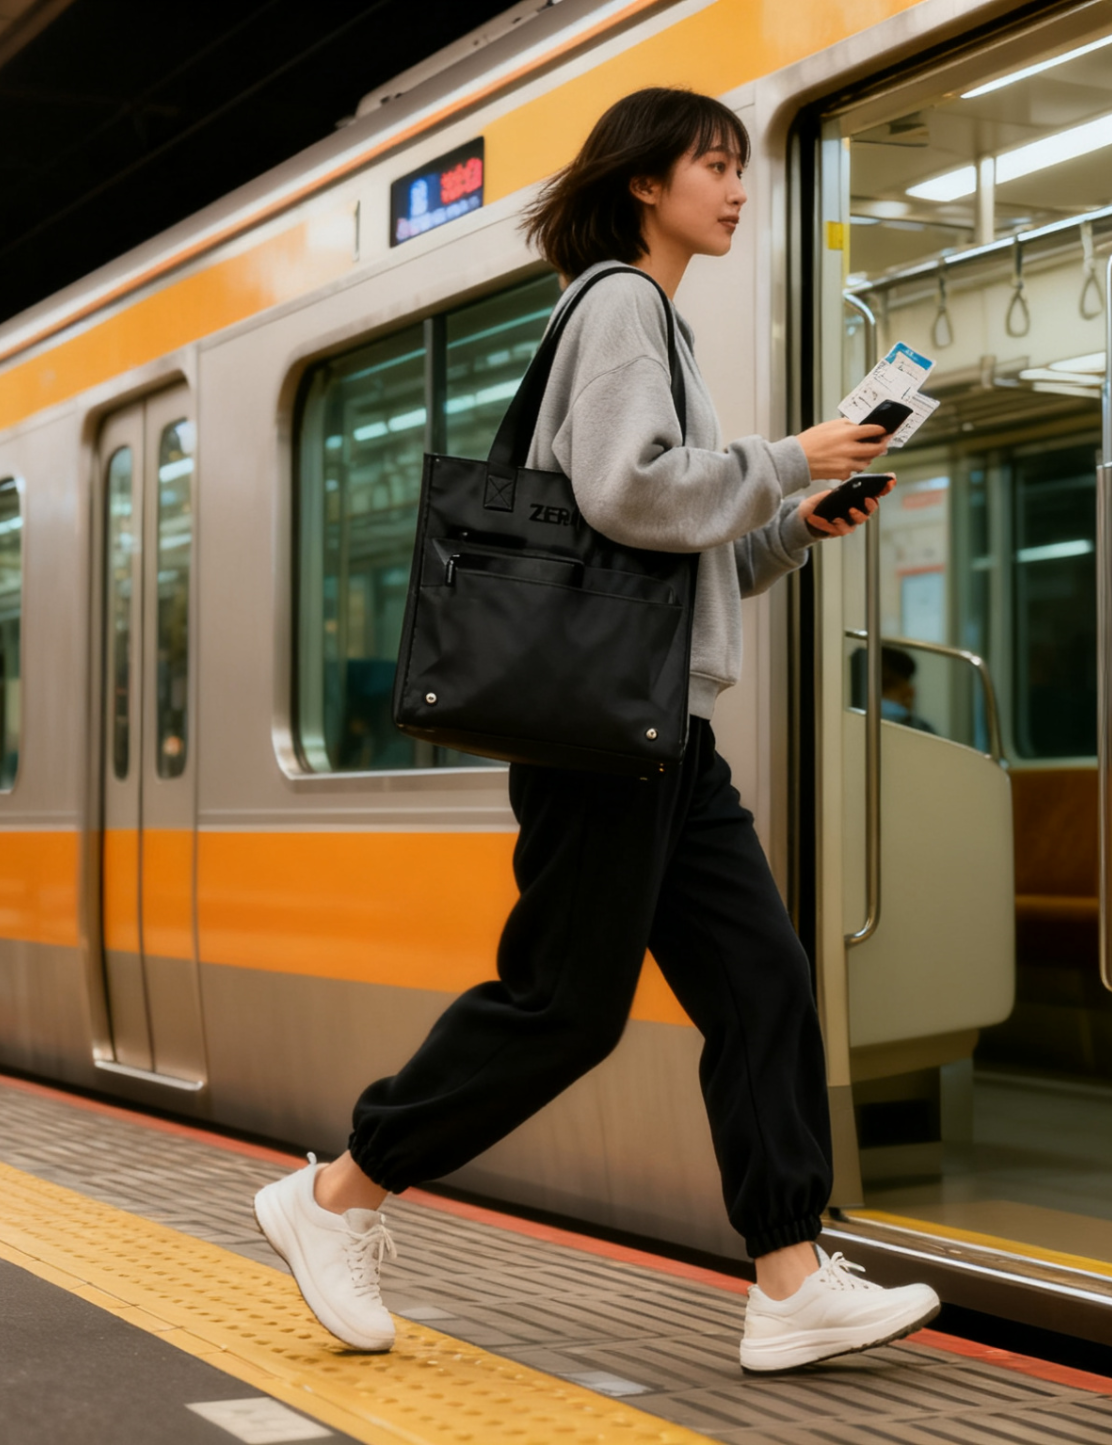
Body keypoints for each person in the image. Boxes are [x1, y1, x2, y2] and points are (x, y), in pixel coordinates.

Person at [252, 87, 940, 1373]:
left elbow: (669, 561)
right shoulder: (621, 303)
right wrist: (789, 456)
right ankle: (338, 1191)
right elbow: (628, 496)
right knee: (563, 1008)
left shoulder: (654, 321)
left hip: (665, 733)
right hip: (605, 742)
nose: (735, 188)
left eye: (739, 167)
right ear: (643, 180)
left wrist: (790, 527)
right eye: (712, 165)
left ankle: (787, 1277)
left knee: (761, 981)